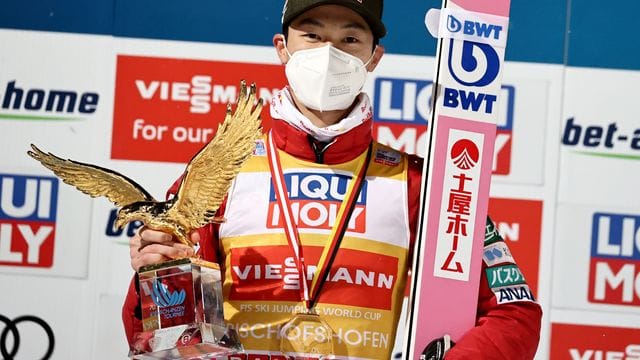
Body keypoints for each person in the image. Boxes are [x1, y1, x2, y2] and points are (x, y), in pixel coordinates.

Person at [123, 0, 542, 359]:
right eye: (312, 35)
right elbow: (160, 331)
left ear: (374, 57)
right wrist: (157, 281)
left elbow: (515, 311)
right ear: (282, 48)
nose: (329, 53)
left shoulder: (419, 184)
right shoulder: (219, 175)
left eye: (349, 39)